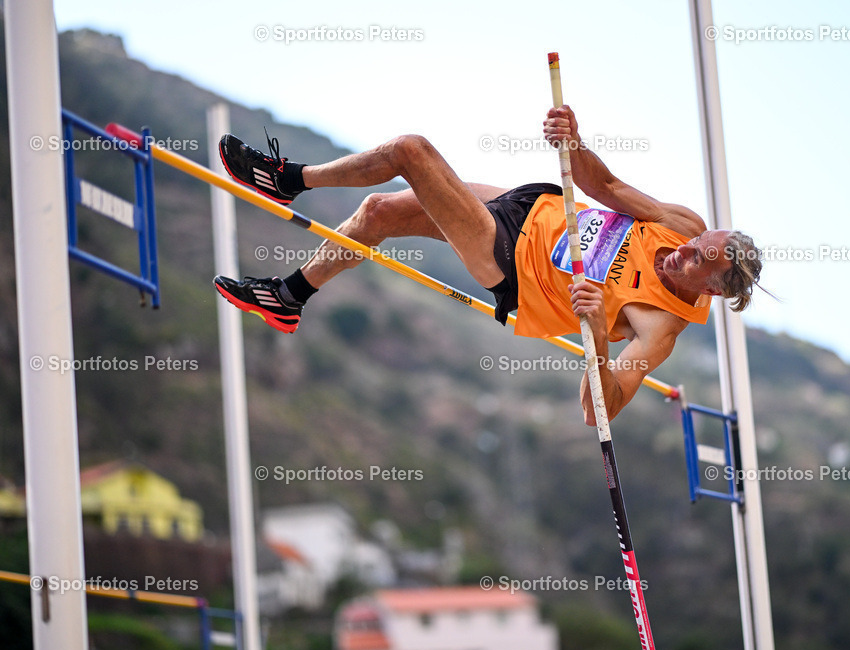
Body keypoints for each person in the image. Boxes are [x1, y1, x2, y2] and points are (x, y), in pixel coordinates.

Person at [213, 105, 763, 425]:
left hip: (511, 264)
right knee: (377, 213)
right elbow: (607, 186)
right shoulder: (685, 224)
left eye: (694, 260)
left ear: (710, 289)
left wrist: (596, 334)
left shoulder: (660, 329)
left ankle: (286, 178)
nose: (682, 250)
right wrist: (574, 144)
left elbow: (600, 411)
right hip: (528, 203)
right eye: (697, 241)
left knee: (411, 150)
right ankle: (286, 299)